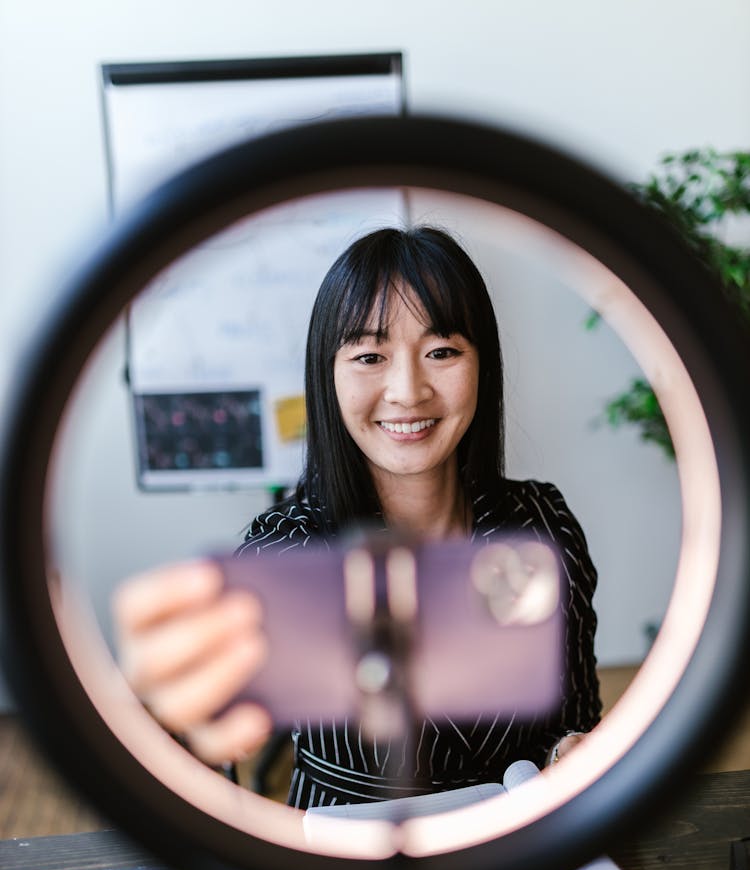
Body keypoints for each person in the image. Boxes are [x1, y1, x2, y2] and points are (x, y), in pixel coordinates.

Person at [113, 226, 601, 809]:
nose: (406, 391)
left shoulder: (542, 523)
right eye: (370, 356)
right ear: (330, 375)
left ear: (482, 365)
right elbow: (207, 754)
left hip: (515, 857)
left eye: (441, 352)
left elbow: (575, 718)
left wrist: (567, 750)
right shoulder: (288, 555)